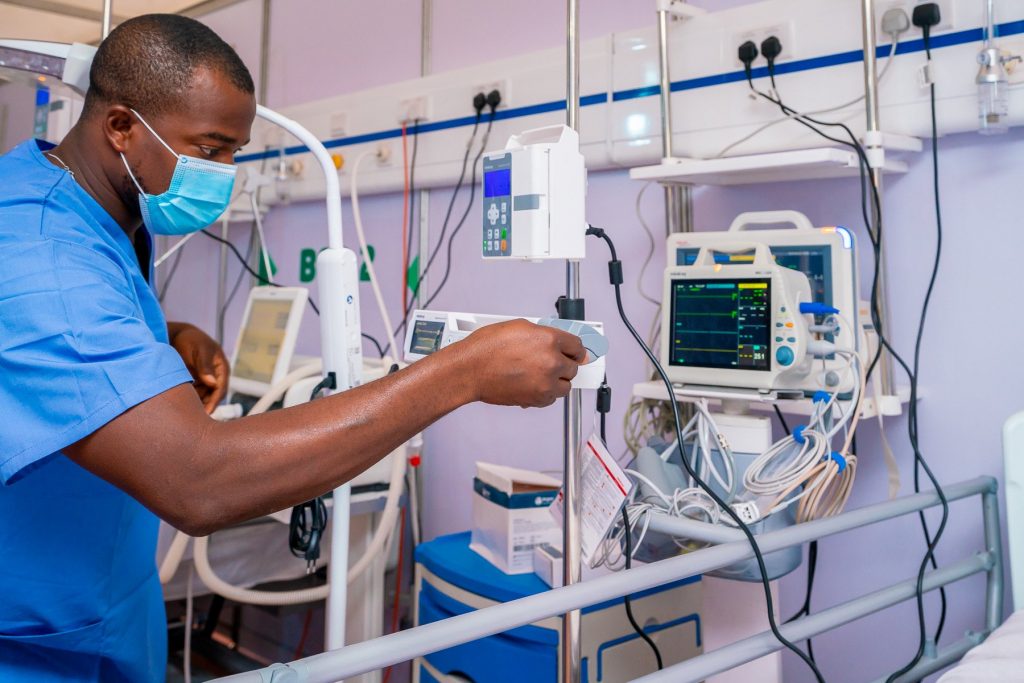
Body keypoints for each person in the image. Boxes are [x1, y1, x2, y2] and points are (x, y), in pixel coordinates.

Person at [0, 14, 585, 682]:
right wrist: (462, 372)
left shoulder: (90, 207)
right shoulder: (44, 256)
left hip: (96, 612)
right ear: (121, 126)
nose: (224, 173)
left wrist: (162, 336)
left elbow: (64, 334)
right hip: (33, 647)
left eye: (234, 152)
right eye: (210, 149)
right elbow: (197, 481)